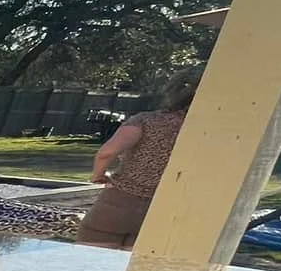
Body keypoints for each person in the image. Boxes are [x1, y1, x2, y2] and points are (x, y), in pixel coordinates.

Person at [76, 70, 200, 249]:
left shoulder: (145, 121)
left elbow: (106, 153)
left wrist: (98, 174)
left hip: (117, 202)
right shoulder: (202, 133)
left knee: (92, 266)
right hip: (161, 208)